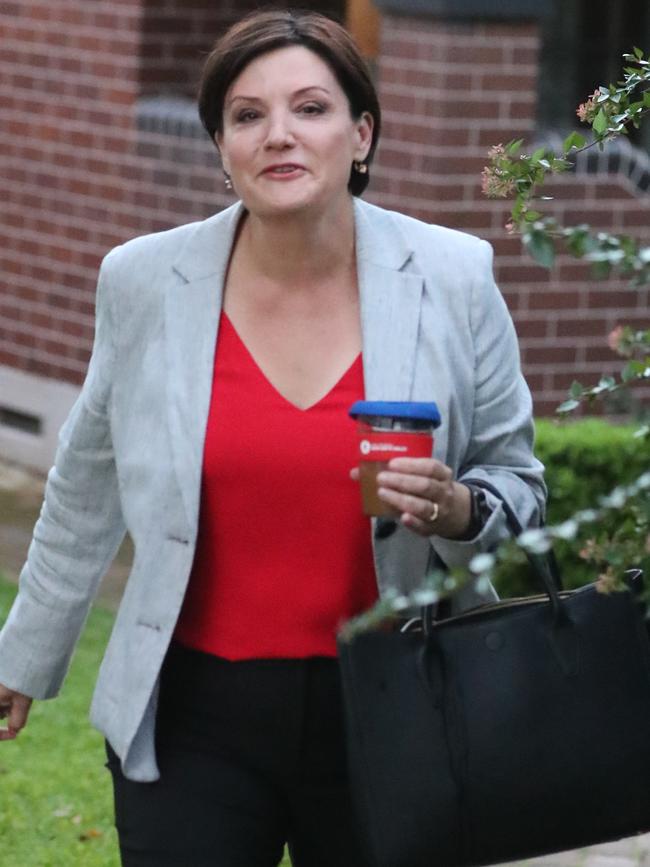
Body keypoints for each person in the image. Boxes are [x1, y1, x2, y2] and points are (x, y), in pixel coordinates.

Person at [0, 9, 545, 867]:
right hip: (191, 717)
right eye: (247, 115)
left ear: (361, 133)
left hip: (394, 708)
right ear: (220, 146)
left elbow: (519, 487)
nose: (278, 135)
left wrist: (455, 506)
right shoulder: (144, 281)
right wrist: (23, 655)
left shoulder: (454, 277)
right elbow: (82, 484)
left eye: (311, 108)